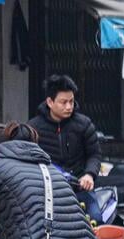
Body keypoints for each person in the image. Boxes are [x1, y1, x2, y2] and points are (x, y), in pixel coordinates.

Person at [28, 74, 103, 222]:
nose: (69, 107)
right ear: (50, 102)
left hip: (80, 189)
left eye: (71, 101)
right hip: (48, 193)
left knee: (96, 220)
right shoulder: (33, 128)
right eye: (63, 102)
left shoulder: (84, 124)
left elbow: (94, 155)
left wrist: (89, 174)